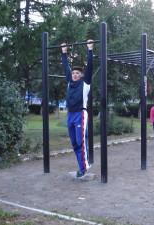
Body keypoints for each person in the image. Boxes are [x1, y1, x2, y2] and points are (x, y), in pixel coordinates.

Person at [61, 40, 93, 178]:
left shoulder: (85, 83)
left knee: (81, 142)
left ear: (81, 75)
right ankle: (83, 165)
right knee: (74, 143)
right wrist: (64, 53)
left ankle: (84, 168)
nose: (74, 74)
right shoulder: (69, 82)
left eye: (77, 73)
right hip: (70, 115)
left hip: (80, 114)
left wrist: (90, 50)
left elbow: (90, 67)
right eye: (73, 73)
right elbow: (65, 67)